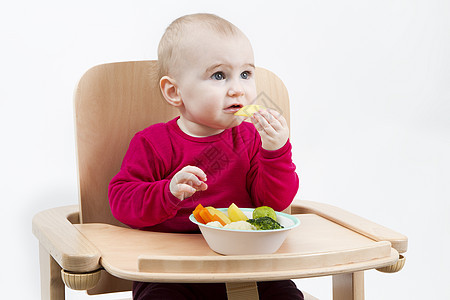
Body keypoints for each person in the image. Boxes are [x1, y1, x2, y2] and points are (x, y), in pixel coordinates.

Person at [108, 13, 303, 300]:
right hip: (171, 271)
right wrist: (168, 191)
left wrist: (275, 152)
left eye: (246, 74)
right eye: (219, 75)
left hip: (247, 264)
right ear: (174, 92)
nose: (238, 88)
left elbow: (273, 203)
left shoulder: (250, 140)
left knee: (285, 294)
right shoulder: (152, 143)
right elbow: (121, 202)